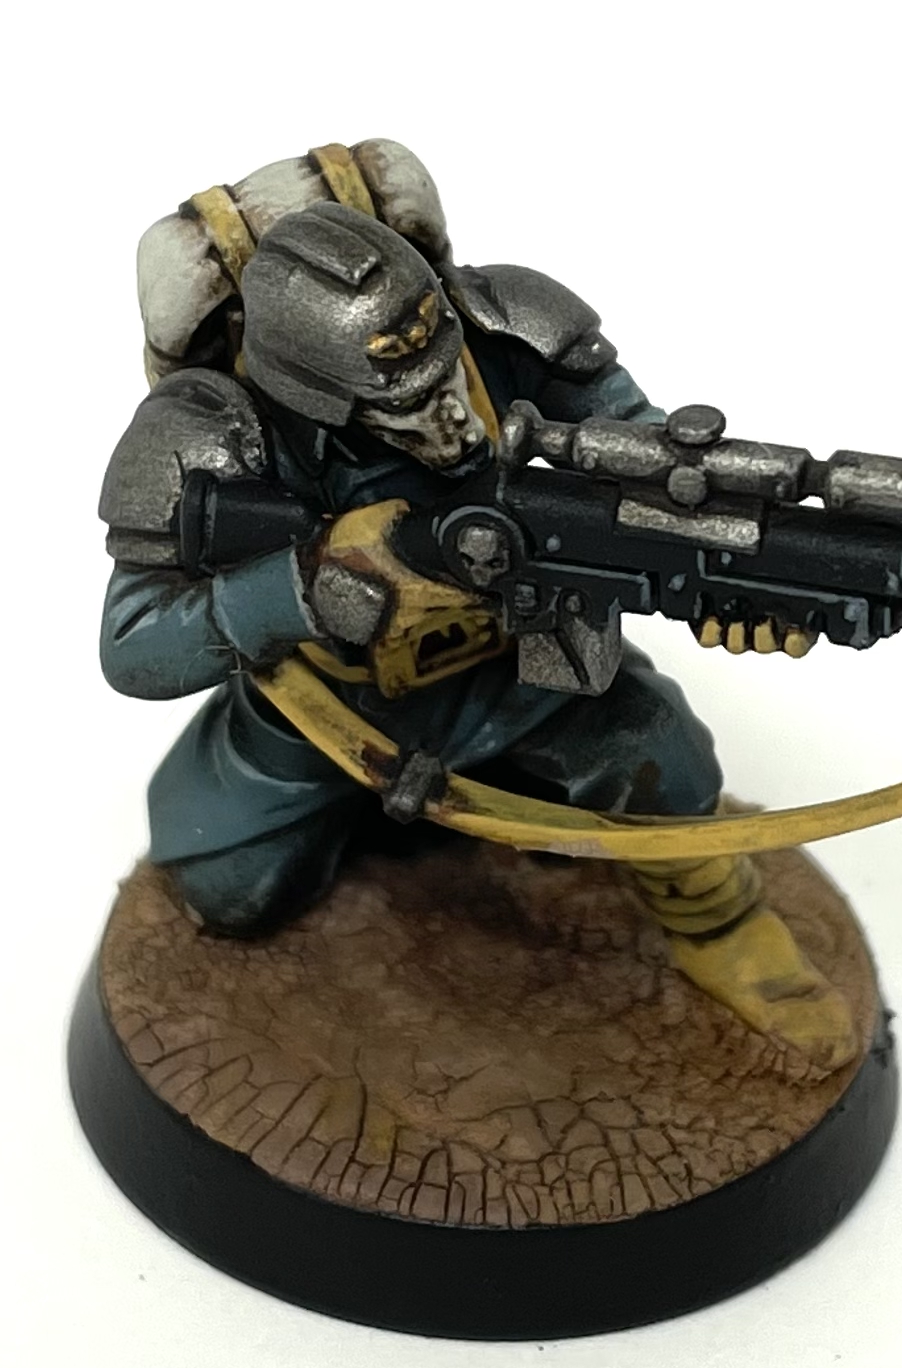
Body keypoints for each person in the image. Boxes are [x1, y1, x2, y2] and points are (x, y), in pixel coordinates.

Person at [97, 188, 855, 1063]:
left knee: (663, 763)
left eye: (447, 374)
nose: (453, 417)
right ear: (319, 399)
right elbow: (132, 644)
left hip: (523, 666)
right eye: (405, 405)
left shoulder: (512, 339)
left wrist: (741, 573)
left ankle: (719, 927)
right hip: (323, 712)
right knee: (223, 888)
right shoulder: (215, 438)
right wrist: (300, 589)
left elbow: (654, 468)